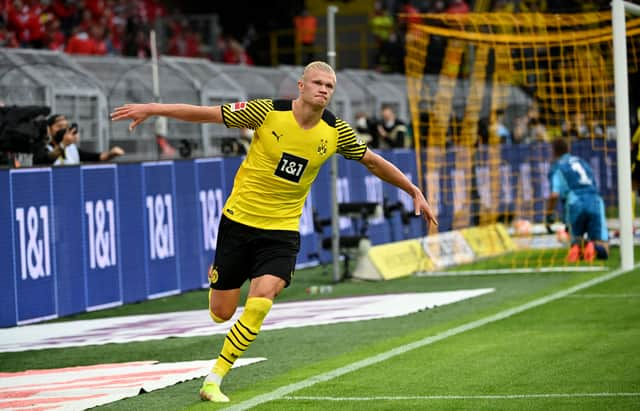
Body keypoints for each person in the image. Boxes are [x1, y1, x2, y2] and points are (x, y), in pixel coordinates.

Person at [110, 61, 437, 403]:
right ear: (301, 85)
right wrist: (153, 108)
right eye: (317, 83)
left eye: (329, 85)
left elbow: (371, 160)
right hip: (239, 222)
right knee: (222, 312)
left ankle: (214, 379)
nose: (324, 89)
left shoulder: (335, 131)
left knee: (261, 302)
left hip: (281, 230)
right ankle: (218, 280)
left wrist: (412, 189)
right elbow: (206, 114)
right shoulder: (266, 111)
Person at [545, 137, 608, 263]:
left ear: (553, 152)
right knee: (604, 248)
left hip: (575, 202)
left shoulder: (557, 167)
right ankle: (593, 246)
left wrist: (548, 215)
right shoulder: (582, 161)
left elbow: (554, 195)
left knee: (575, 240)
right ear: (568, 149)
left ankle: (579, 246)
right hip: (594, 200)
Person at [36, 113, 125, 165]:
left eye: (66, 127)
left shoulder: (72, 149)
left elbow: (96, 157)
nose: (63, 129)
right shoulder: (43, 149)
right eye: (59, 126)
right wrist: (63, 144)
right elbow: (46, 160)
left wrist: (111, 154)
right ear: (49, 129)